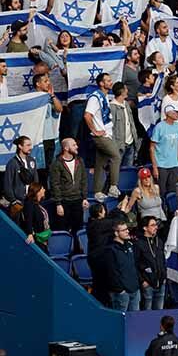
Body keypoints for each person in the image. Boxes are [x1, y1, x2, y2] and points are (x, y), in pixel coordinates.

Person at [84, 73, 122, 201]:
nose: (111, 82)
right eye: (108, 80)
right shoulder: (95, 98)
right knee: (116, 156)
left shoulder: (104, 97)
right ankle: (113, 186)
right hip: (101, 136)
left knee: (100, 163)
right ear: (101, 83)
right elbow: (87, 115)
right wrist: (95, 131)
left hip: (107, 134)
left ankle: (97, 191)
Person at [49, 138, 89, 235]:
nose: (77, 147)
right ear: (66, 148)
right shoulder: (57, 163)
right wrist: (58, 204)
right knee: (64, 228)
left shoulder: (80, 161)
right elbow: (55, 185)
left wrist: (84, 198)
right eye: (74, 145)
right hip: (64, 202)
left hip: (78, 200)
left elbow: (83, 180)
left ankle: (77, 247)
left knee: (78, 229)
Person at [105, 220, 140, 311]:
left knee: (135, 320)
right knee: (120, 322)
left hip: (135, 289)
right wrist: (120, 290)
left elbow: (135, 265)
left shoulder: (130, 245)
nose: (127, 231)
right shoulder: (110, 250)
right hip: (121, 293)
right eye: (124, 230)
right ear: (116, 233)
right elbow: (112, 272)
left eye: (127, 229)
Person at [150, 104, 178, 197]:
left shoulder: (177, 126)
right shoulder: (159, 127)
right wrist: (155, 167)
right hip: (161, 166)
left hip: (174, 165)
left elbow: (177, 145)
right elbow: (152, 147)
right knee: (161, 192)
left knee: (172, 192)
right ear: (168, 113)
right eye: (176, 112)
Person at [134, 216, 167, 311]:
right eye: (152, 225)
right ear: (145, 228)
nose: (156, 227)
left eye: (156, 225)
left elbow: (163, 261)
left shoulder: (159, 241)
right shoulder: (139, 243)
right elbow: (134, 264)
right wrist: (142, 281)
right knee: (147, 313)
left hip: (161, 283)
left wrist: (164, 277)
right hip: (147, 284)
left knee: (159, 312)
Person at [110, 82, 138, 167]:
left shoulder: (126, 104)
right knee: (116, 169)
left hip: (130, 143)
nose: (127, 91)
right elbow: (111, 128)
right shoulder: (112, 107)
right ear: (121, 92)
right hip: (119, 145)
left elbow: (131, 122)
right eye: (125, 89)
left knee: (128, 170)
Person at [21, 183, 51, 253]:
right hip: (36, 240)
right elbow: (29, 220)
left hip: (42, 239)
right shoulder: (29, 204)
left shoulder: (37, 203)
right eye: (42, 189)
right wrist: (30, 234)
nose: (44, 190)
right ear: (38, 191)